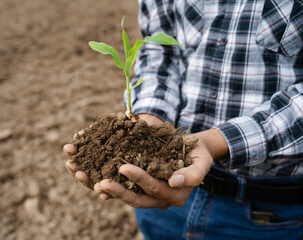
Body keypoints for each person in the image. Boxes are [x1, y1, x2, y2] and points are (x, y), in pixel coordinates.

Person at [64, 0, 303, 239]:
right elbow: (160, 50)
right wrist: (149, 120)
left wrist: (215, 142)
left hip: (270, 208)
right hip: (162, 194)